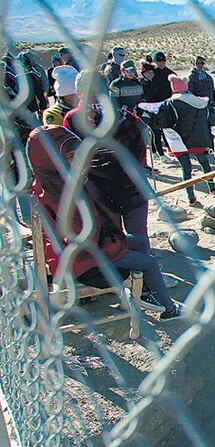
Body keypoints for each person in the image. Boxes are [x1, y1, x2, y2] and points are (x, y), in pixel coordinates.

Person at [26, 125, 182, 319]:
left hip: (86, 250)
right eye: (71, 157)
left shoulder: (52, 181)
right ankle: (169, 311)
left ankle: (146, 292)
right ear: (51, 159)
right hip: (86, 262)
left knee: (141, 242)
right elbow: (83, 236)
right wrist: (117, 245)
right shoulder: (61, 193)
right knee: (148, 262)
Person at [155, 75, 215, 207]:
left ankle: (191, 197)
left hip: (180, 141)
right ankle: (213, 188)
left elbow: (163, 122)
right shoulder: (200, 102)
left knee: (186, 168)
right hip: (199, 139)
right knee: (205, 164)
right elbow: (211, 118)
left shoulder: (170, 103)